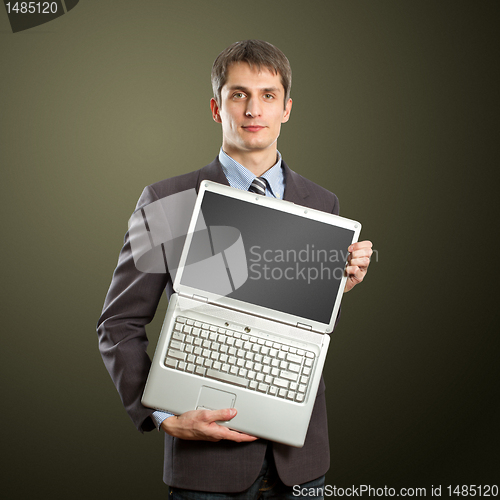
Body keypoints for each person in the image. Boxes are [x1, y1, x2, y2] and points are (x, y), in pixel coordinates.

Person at [97, 39, 372, 499]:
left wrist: (336, 287)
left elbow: (297, 327)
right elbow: (119, 323)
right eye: (238, 94)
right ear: (215, 107)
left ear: (287, 108)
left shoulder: (323, 205)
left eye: (268, 95)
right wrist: (164, 417)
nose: (252, 109)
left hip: (302, 464)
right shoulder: (166, 202)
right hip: (204, 469)